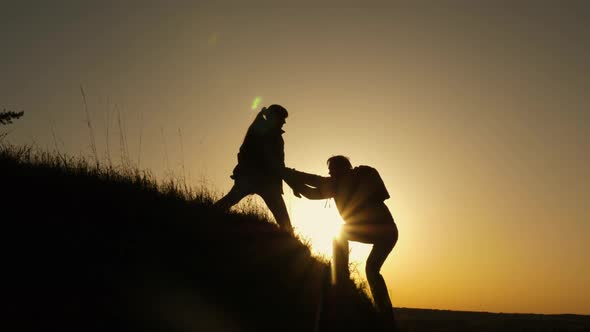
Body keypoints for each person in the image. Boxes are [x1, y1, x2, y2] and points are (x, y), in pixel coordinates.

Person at [284, 156, 398, 326]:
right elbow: (310, 191)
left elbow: (313, 181)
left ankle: (342, 276)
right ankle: (385, 313)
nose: (330, 173)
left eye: (332, 170)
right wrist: (291, 179)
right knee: (372, 270)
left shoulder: (354, 177)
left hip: (383, 229)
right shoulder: (338, 184)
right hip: (388, 232)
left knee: (342, 234)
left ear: (341, 168)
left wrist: (289, 175)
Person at [214, 105, 293, 233]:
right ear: (275, 117)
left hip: (258, 179)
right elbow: (271, 160)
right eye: (282, 118)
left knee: (229, 200)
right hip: (261, 180)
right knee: (282, 217)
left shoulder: (269, 133)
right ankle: (292, 241)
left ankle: (206, 214)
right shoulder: (263, 132)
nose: (284, 122)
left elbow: (277, 162)